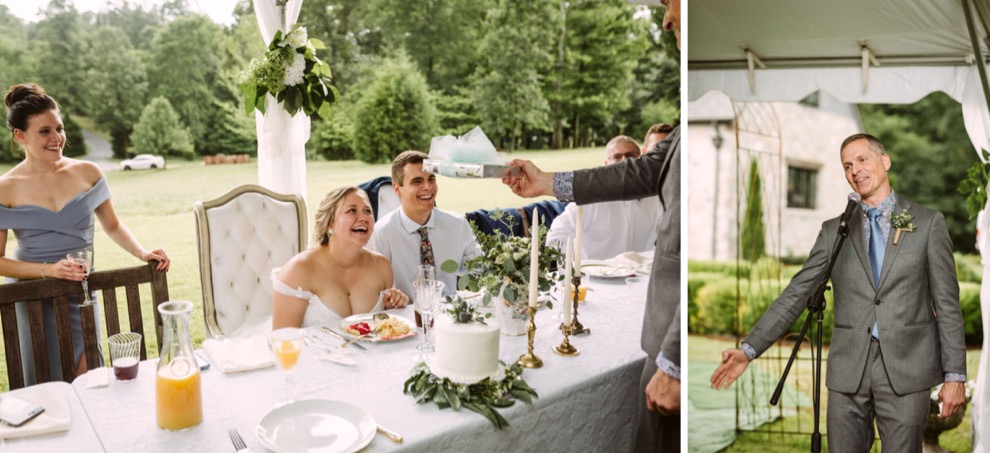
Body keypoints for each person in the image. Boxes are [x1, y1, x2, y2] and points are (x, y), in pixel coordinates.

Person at [710, 134, 967, 452]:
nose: (854, 169)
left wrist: (954, 375)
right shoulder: (835, 230)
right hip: (848, 369)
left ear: (884, 162)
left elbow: (948, 304)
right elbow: (796, 293)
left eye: (862, 159)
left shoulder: (928, 224)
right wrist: (749, 349)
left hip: (908, 368)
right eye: (847, 165)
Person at [503, 2, 681, 450]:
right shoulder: (688, 120)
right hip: (660, 330)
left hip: (673, 338)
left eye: (670, 6)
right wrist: (546, 182)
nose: (664, 20)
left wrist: (675, 362)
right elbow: (631, 175)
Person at [0, 83, 170, 385]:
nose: (57, 138)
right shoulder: (6, 187)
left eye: (59, 128)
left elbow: (113, 225)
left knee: (89, 379)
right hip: (33, 298)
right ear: (20, 136)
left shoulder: (88, 172)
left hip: (80, 292)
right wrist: (49, 270)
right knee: (46, 385)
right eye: (45, 132)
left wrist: (142, 252)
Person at [267, 187, 408, 331]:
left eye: (367, 211)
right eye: (352, 210)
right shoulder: (299, 270)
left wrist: (392, 306)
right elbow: (282, 342)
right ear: (330, 224)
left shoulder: (381, 266)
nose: (363, 218)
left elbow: (385, 331)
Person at [368, 151, 482, 299]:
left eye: (431, 179)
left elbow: (480, 270)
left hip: (451, 314)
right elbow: (377, 291)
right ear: (397, 189)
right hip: (404, 317)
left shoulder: (458, 224)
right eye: (417, 181)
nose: (428, 187)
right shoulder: (382, 233)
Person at [546, 135, 660, 260]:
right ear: (606, 165)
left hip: (640, 277)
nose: (625, 161)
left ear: (642, 160)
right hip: (591, 277)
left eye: (630, 155)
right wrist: (575, 266)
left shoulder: (656, 199)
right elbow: (556, 235)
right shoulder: (590, 197)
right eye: (617, 157)